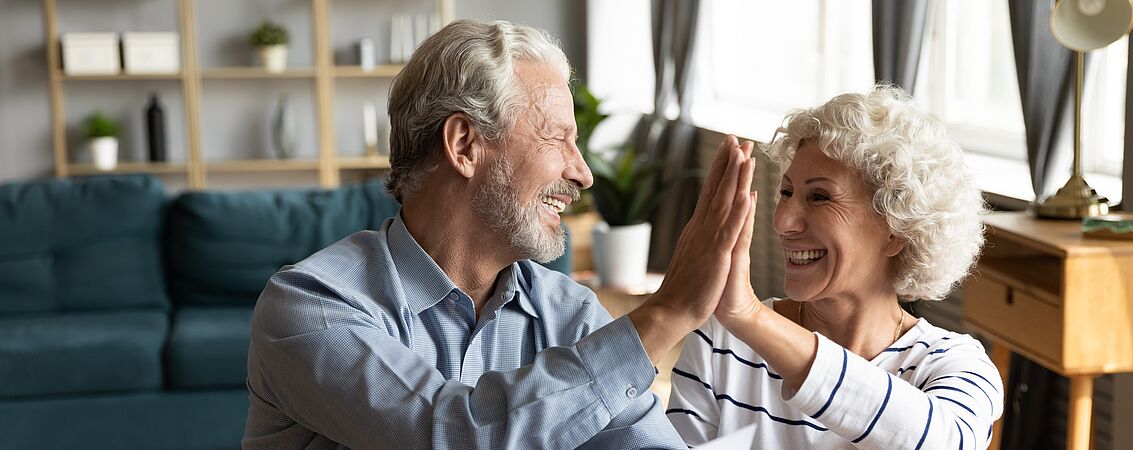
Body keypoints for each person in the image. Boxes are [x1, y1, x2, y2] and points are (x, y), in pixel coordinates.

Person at [242, 20, 758, 449]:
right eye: (558, 137)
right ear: (464, 145)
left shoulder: (568, 315)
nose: (583, 173)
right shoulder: (311, 307)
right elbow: (454, 435)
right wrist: (664, 314)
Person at [667, 85, 1003, 449]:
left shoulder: (954, 364)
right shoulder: (722, 343)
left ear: (896, 230)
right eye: (786, 192)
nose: (784, 221)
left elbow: (945, 443)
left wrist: (750, 317)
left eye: (820, 197)